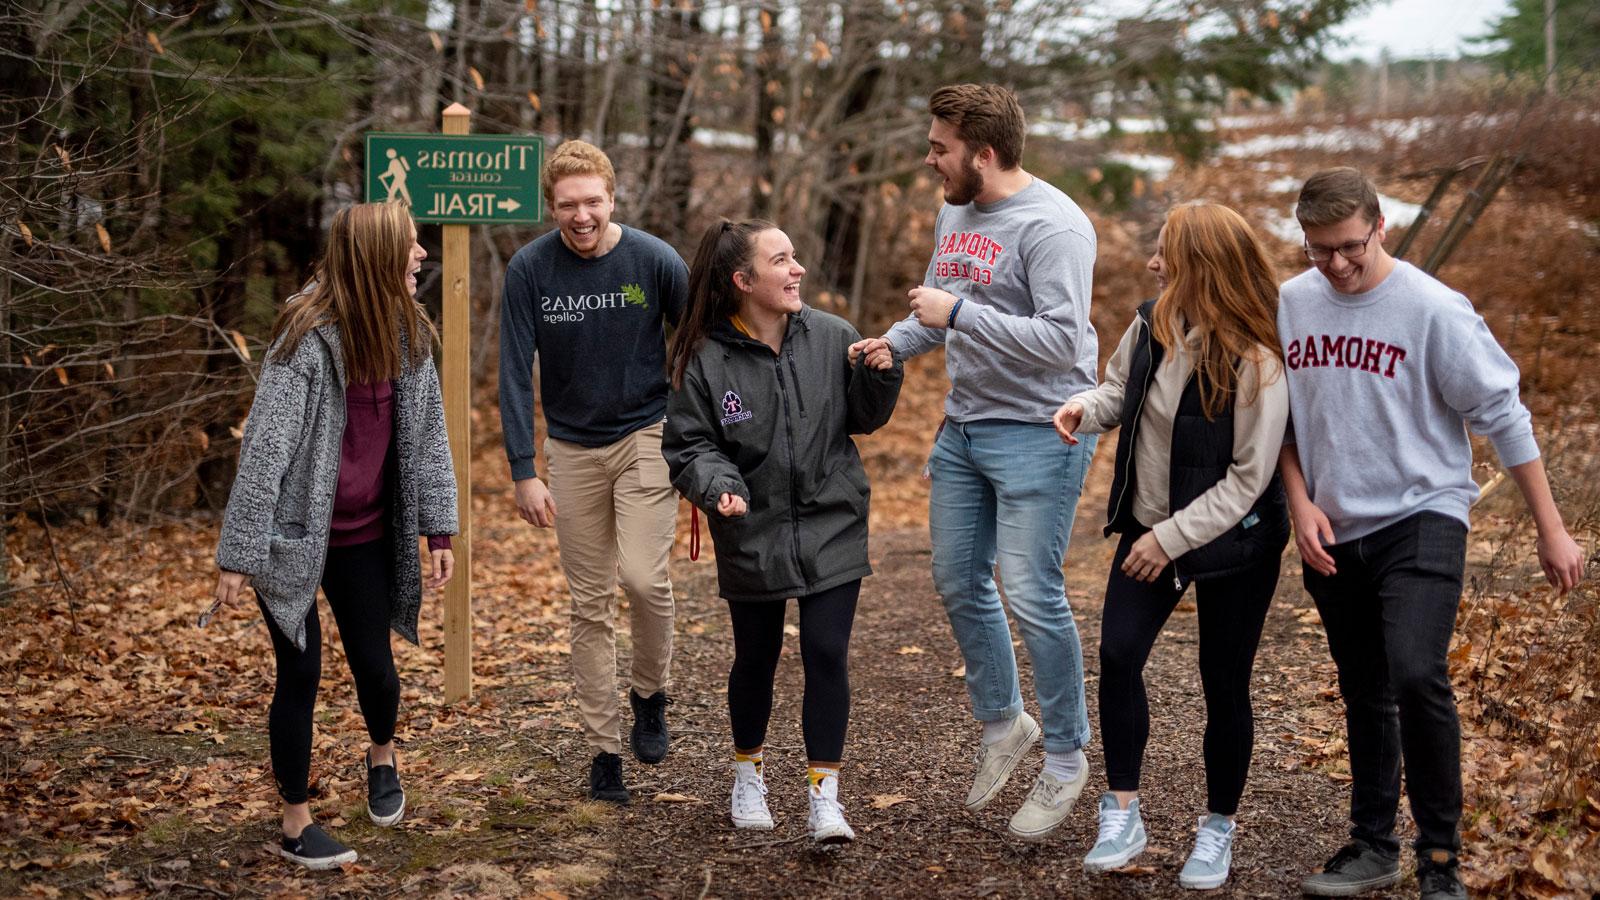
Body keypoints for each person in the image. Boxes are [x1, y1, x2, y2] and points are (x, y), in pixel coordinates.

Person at [1278, 168, 1585, 900]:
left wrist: (1553, 529)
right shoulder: (1291, 303)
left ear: (1382, 227)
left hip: (1424, 514)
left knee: (1416, 672)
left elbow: (1504, 414)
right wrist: (1299, 503)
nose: (1339, 264)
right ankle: (1372, 845)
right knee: (1364, 689)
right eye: (1321, 251)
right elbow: (1276, 418)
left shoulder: (1432, 309)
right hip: (1332, 525)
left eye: (1351, 246)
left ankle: (1440, 858)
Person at [851, 82, 1100, 840]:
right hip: (965, 427)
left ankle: (1066, 758)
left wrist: (956, 314)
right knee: (958, 576)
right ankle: (1003, 723)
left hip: (1041, 429)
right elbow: (941, 307)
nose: (930, 160)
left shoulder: (1056, 226)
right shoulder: (956, 211)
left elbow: (1063, 338)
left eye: (940, 149)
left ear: (982, 154)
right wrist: (894, 340)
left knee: (1030, 591)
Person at [213, 200, 458, 870]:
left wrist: (440, 531)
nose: (421, 255)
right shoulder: (306, 336)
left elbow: (430, 441)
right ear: (377, 256)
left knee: (375, 668)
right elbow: (265, 447)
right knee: (300, 672)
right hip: (293, 536)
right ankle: (296, 822)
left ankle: (382, 754)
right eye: (410, 246)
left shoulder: (410, 334)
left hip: (367, 537)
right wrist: (239, 552)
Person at [1054, 201, 1289, 889]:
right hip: (1150, 522)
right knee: (1120, 653)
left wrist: (1171, 538)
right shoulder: (1153, 321)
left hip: (1236, 540)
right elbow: (1118, 392)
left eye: (1167, 255)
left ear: (1202, 267)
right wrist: (1083, 410)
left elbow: (1249, 479)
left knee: (1224, 680)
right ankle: (1122, 814)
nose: (1155, 264)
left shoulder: (1257, 356)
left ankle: (1218, 827)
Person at [662, 219, 901, 844]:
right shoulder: (704, 358)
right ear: (743, 281)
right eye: (782, 260)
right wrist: (720, 488)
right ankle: (749, 772)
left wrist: (879, 372)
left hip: (832, 518)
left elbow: (865, 418)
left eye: (795, 257)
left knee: (826, 652)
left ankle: (826, 798)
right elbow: (689, 445)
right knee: (757, 658)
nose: (797, 270)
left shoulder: (831, 336)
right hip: (752, 527)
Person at [498, 140, 687, 804]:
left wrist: (700, 434)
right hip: (572, 450)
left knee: (643, 578)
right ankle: (605, 750)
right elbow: (514, 372)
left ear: (613, 198)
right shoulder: (530, 269)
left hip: (645, 434)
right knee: (588, 604)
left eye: (593, 202)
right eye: (568, 205)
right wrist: (524, 467)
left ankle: (649, 692)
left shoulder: (654, 260)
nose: (582, 216)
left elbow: (700, 341)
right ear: (552, 205)